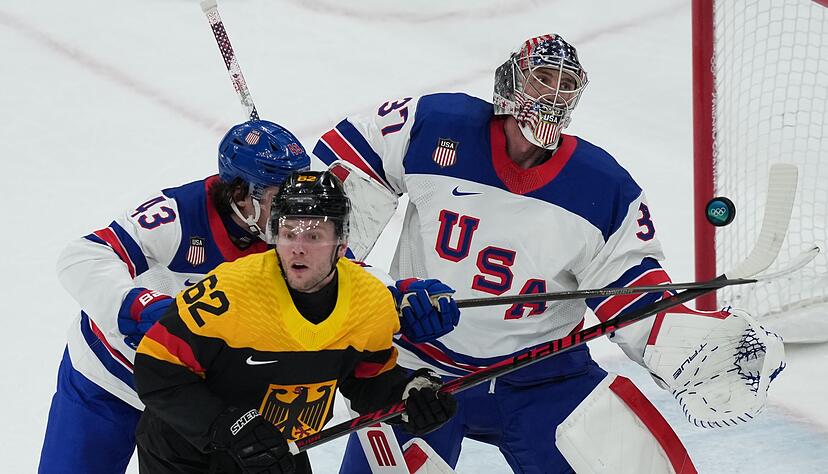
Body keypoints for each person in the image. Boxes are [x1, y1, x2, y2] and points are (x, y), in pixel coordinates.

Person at [314, 34, 784, 473]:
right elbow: (338, 181)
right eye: (542, 78)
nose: (552, 94)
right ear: (512, 80)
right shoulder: (435, 124)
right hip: (417, 373)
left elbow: (633, 297)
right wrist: (378, 293)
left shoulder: (603, 186)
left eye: (566, 85)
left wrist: (698, 347)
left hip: (544, 379)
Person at [132, 170, 458, 473]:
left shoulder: (370, 301)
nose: (297, 249)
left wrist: (409, 395)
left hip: (278, 449)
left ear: (342, 244)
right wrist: (227, 425)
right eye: (288, 234)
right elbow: (155, 368)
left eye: (314, 236)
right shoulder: (230, 290)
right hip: (187, 455)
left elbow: (366, 379)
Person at [38, 120, 312, 473]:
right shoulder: (178, 215)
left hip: (190, 399)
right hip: (110, 381)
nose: (295, 211)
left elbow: (348, 282)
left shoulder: (296, 234)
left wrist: (398, 297)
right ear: (241, 194)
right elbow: (82, 256)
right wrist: (141, 307)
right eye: (280, 197)